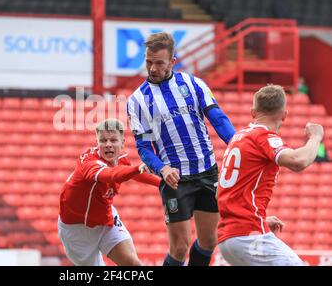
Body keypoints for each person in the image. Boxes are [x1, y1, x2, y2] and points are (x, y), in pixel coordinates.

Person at [127, 32, 236, 266]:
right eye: (148, 62)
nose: (153, 68)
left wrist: (239, 145)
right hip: (175, 179)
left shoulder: (193, 84)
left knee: (209, 241)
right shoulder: (137, 100)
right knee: (179, 248)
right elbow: (144, 147)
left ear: (172, 61)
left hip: (207, 171)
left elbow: (217, 118)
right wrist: (162, 168)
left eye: (159, 63)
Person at [217, 84, 324, 266]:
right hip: (247, 236)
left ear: (253, 112)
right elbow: (298, 161)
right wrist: (315, 137)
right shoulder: (263, 137)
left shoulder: (238, 138)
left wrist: (261, 219)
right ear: (284, 115)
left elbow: (227, 191)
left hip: (229, 237)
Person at [58, 119, 161, 266]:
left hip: (105, 218)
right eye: (103, 140)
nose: (108, 145)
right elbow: (112, 175)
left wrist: (162, 184)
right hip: (77, 228)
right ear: (97, 142)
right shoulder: (89, 163)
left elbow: (132, 173)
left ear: (122, 142)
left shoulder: (119, 158)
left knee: (132, 264)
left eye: (113, 140)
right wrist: (138, 168)